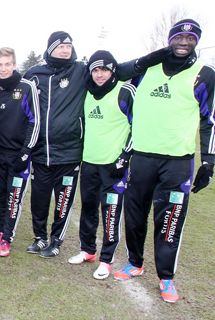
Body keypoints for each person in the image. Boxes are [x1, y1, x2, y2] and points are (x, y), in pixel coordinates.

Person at [23, 31, 157, 258]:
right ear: (50, 48)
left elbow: (112, 69)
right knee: (39, 199)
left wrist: (148, 61)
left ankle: (56, 241)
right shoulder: (34, 73)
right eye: (60, 46)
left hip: (70, 153)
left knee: (63, 201)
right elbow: (20, 98)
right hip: (41, 151)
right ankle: (40, 237)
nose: (66, 49)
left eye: (69, 45)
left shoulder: (81, 69)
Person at [115, 19, 215, 303]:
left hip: (177, 161)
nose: (184, 42)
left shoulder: (204, 74)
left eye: (190, 38)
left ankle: (166, 278)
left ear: (197, 41)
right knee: (134, 214)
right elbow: (118, 73)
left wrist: (208, 161)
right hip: (143, 156)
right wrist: (149, 58)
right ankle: (135, 263)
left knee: (169, 219)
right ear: (170, 39)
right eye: (179, 37)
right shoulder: (148, 69)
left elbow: (210, 120)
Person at [67, 50, 134, 279]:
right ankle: (87, 250)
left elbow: (139, 126)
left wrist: (124, 157)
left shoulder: (125, 91)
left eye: (105, 69)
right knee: (88, 208)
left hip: (114, 165)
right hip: (90, 162)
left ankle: (107, 259)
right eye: (95, 69)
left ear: (113, 70)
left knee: (111, 212)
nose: (100, 74)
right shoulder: (87, 93)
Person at [0, 47, 39, 257]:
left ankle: (7, 238)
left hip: (19, 153)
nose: (4, 69)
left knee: (13, 197)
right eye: (0, 65)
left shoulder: (26, 87)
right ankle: (0, 230)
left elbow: (35, 121)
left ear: (14, 65)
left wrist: (26, 151)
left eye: (8, 64)